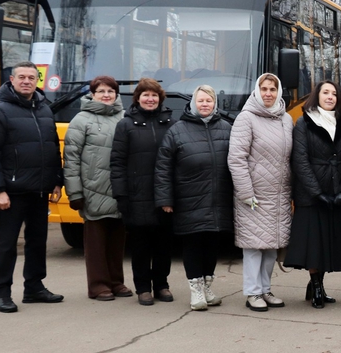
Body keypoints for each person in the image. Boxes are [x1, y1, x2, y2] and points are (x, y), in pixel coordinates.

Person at [0, 61, 65, 313]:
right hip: (11, 192)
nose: (27, 81)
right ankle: (1, 293)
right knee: (6, 245)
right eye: (22, 77)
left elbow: (52, 148)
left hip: (39, 190)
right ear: (12, 80)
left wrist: (56, 181)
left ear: (37, 81)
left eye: (31, 77)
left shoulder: (44, 109)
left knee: (37, 241)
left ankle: (34, 288)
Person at [154, 85, 234, 312]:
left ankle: (208, 287)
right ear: (193, 103)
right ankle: (196, 290)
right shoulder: (177, 130)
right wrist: (165, 199)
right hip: (188, 199)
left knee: (212, 245)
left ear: (215, 103)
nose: (205, 104)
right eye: (201, 101)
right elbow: (163, 168)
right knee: (193, 245)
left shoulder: (226, 128)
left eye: (209, 100)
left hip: (218, 200)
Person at [286, 80, 341, 308]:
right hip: (311, 195)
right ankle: (316, 287)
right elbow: (300, 161)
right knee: (313, 244)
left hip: (335, 193)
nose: (330, 97)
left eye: (334, 94)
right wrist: (317, 193)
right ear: (317, 96)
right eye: (325, 92)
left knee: (328, 243)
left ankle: (318, 284)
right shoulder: (303, 122)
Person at [228, 73, 293, 312]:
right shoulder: (246, 118)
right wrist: (246, 192)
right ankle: (252, 292)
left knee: (272, 246)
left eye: (272, 89)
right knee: (254, 246)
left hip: (279, 194)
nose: (268, 93)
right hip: (254, 195)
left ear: (279, 92)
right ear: (257, 91)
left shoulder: (286, 119)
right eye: (264, 89)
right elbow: (236, 158)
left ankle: (265, 289)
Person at [110, 78, 176, 306]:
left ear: (160, 99)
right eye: (145, 95)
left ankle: (161, 285)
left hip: (164, 195)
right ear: (138, 98)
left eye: (154, 95)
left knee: (163, 245)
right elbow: (117, 163)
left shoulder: (170, 124)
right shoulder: (125, 125)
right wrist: (121, 196)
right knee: (140, 245)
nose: (150, 99)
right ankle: (142, 288)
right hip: (136, 195)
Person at [64, 75, 128, 301]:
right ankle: (98, 285)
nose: (106, 95)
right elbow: (71, 159)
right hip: (92, 190)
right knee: (96, 243)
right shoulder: (81, 120)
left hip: (119, 189)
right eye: (101, 91)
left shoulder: (125, 117)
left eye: (110, 91)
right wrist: (75, 192)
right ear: (92, 94)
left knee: (117, 240)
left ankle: (116, 282)